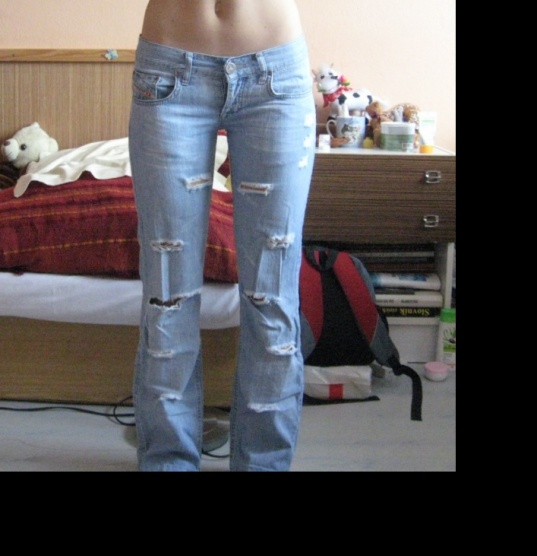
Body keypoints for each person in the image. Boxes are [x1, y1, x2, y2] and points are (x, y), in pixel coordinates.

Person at [129, 0, 316, 471]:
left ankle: (263, 464)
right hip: (170, 71)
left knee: (273, 299)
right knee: (168, 300)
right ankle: (168, 462)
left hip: (276, 74)